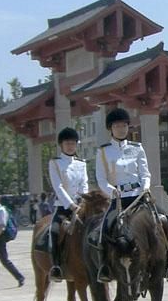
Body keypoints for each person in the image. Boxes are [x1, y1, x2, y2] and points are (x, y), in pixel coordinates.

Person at [95, 107, 151, 283]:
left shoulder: (137, 148)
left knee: (167, 222)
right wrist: (112, 190)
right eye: (117, 126)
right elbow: (101, 178)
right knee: (105, 229)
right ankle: (105, 266)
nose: (121, 129)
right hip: (118, 199)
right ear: (110, 128)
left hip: (138, 196)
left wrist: (146, 187)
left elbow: (145, 173)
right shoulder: (103, 152)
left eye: (124, 125)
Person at [48, 127, 89, 282]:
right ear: (61, 145)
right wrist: (71, 205)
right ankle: (57, 266)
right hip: (63, 207)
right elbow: (57, 186)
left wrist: (83, 200)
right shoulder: (55, 163)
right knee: (54, 230)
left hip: (81, 205)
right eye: (67, 143)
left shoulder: (82, 163)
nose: (70, 146)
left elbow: (84, 184)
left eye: (73, 143)